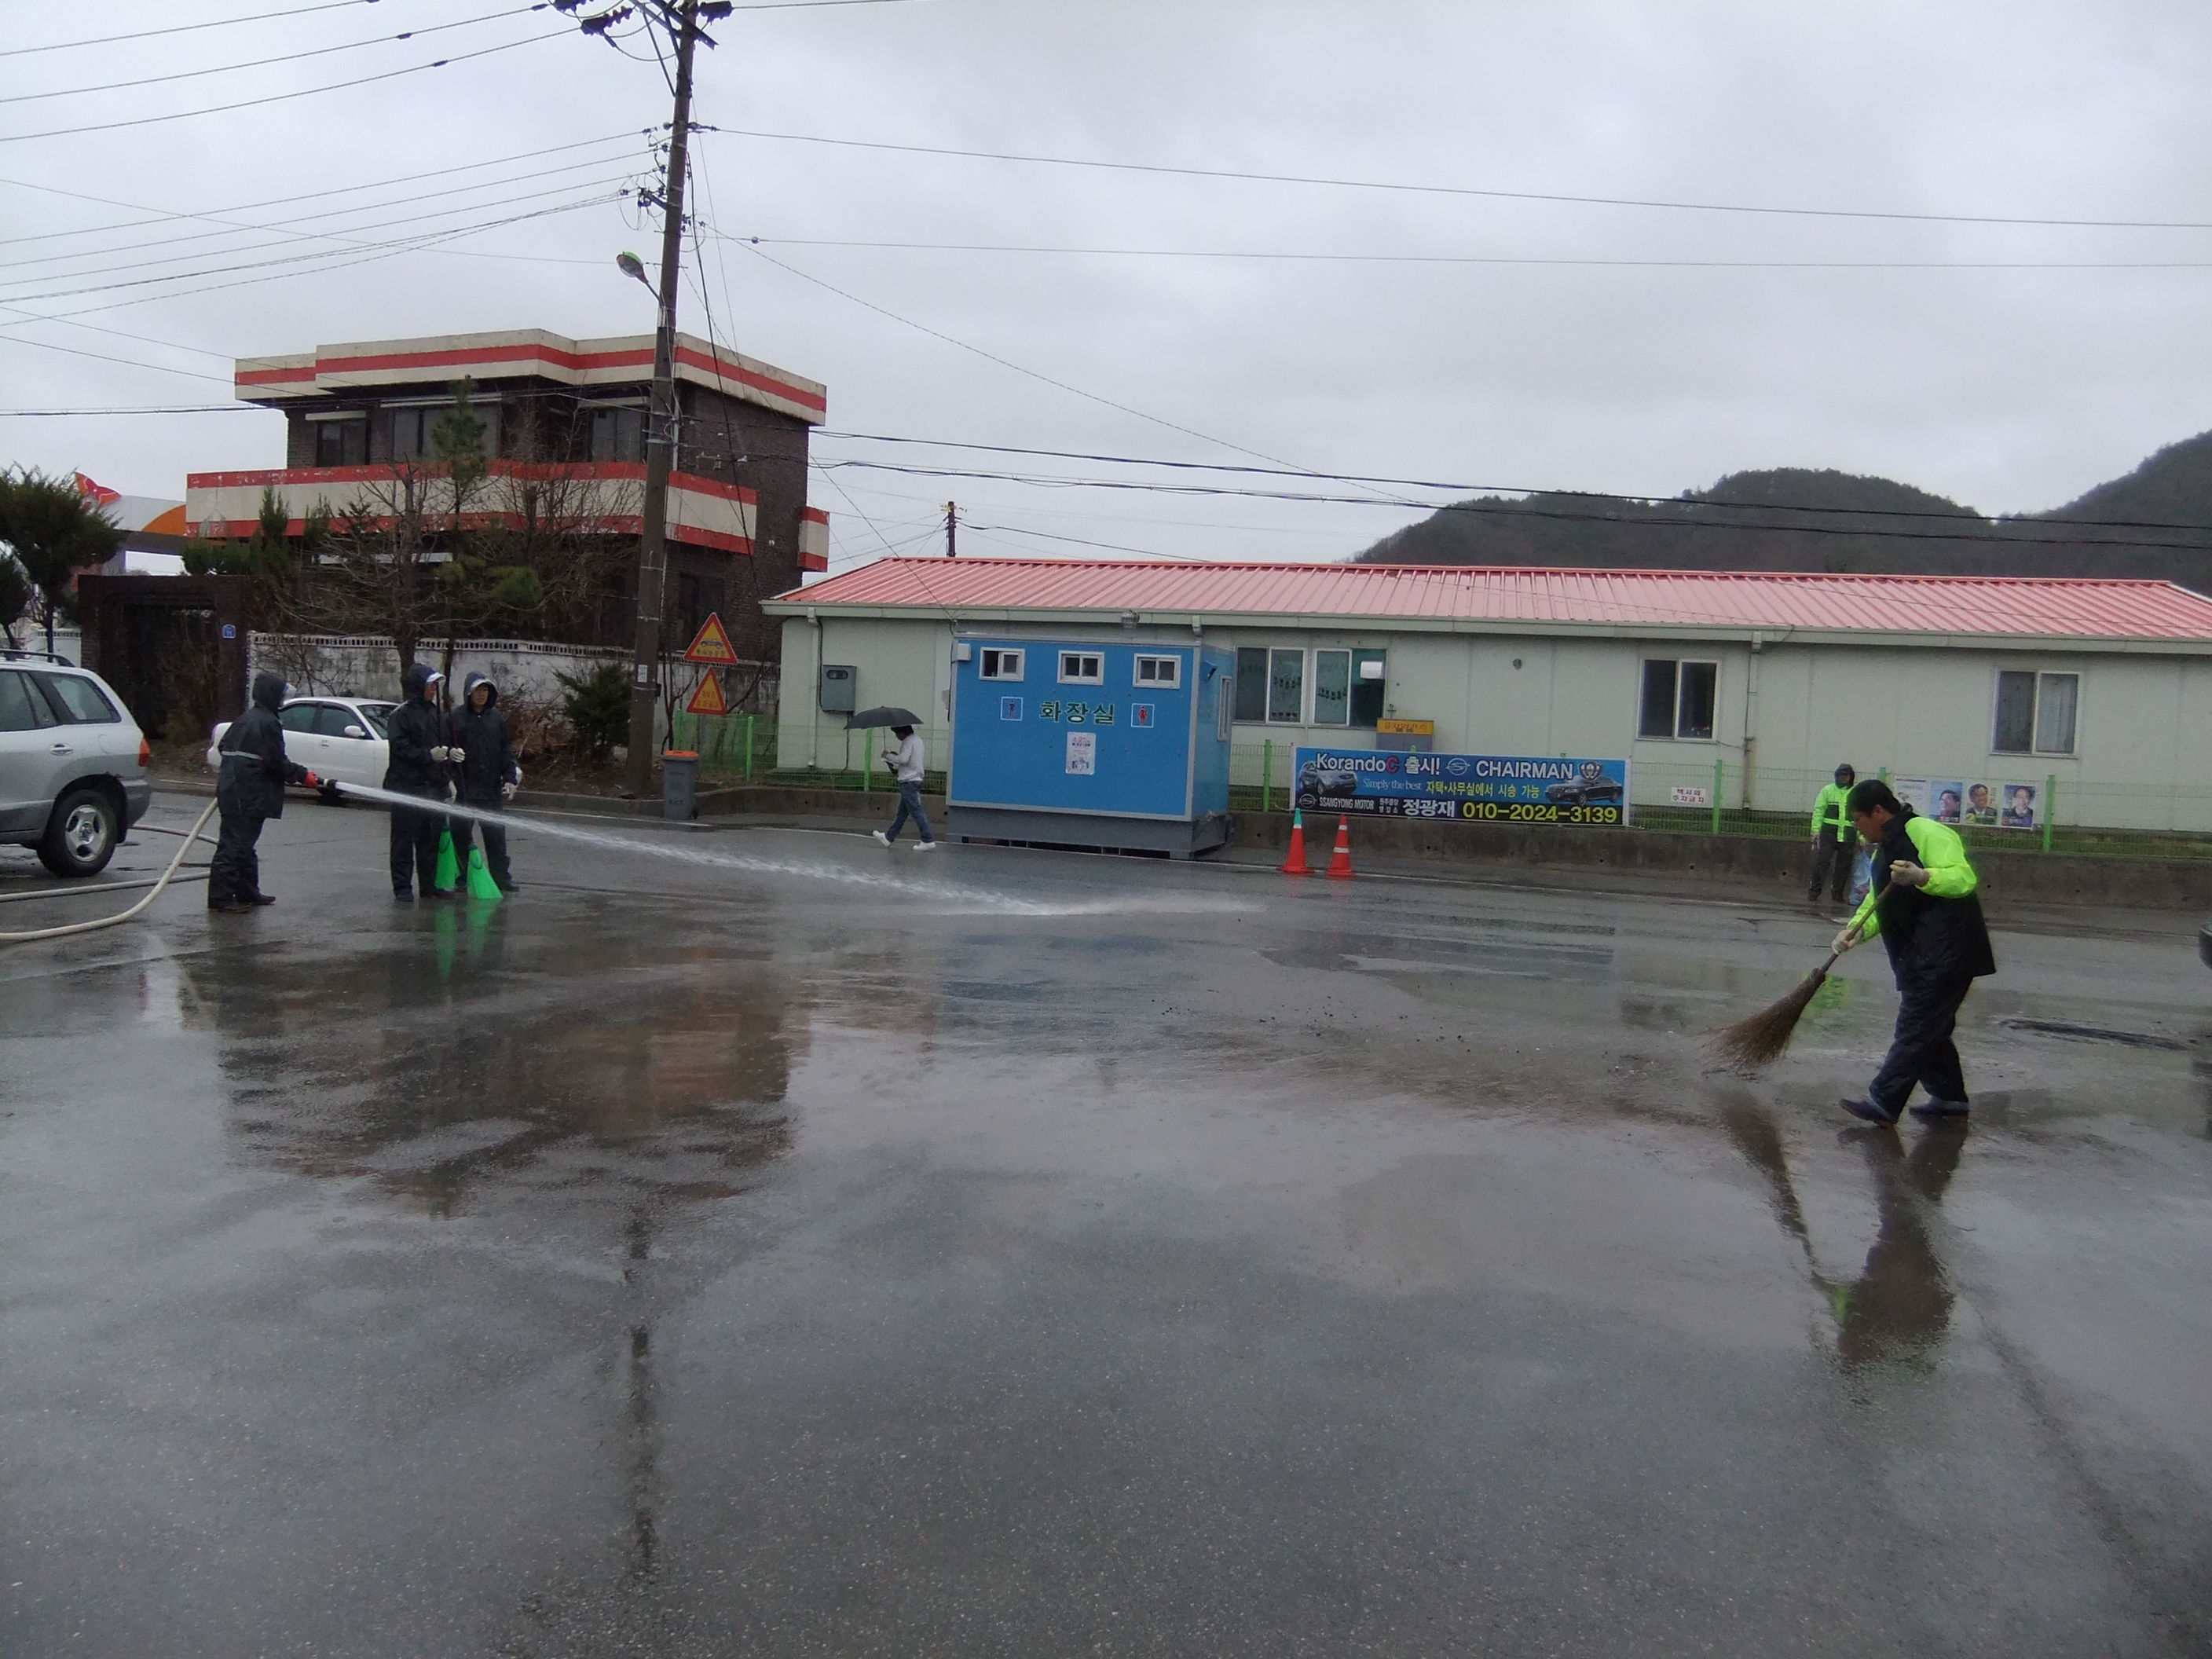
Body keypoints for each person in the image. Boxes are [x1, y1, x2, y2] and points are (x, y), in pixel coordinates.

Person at [1829, 778, 1997, 1126]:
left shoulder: (1925, 832)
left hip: (1946, 953)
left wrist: (1923, 877)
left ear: (1878, 812)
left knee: (1915, 1028)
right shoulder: (1885, 850)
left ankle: (1883, 1101)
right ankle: (1950, 1098)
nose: (1857, 828)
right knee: (1931, 1029)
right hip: (1921, 955)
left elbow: (1963, 878)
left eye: (1858, 819)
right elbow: (1878, 900)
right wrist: (1854, 931)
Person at [209, 671, 320, 912]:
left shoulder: (247, 718)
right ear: (272, 695)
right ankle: (221, 898)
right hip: (247, 794)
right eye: (280, 694)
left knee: (244, 844)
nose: (282, 699)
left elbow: (224, 745)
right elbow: (275, 761)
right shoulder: (268, 722)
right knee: (234, 846)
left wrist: (238, 767)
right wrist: (302, 775)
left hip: (235, 790)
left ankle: (247, 892)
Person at [384, 663, 456, 902]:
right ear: (418, 686)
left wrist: (448, 770)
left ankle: (429, 886)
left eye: (435, 685)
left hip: (432, 788)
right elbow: (399, 748)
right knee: (403, 841)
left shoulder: (436, 714)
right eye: (430, 685)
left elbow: (444, 745)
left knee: (430, 840)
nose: (434, 689)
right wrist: (428, 755)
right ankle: (402, 888)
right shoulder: (401, 715)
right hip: (406, 787)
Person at [447, 671, 522, 894]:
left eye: (485, 690)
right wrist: (450, 766)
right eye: (477, 690)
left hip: (490, 790)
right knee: (461, 836)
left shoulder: (495, 719)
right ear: (468, 693)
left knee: (496, 838)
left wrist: (510, 777)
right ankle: (461, 878)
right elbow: (444, 748)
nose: (481, 695)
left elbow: (505, 751)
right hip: (465, 789)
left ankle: (501, 877)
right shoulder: (455, 718)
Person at [870, 723, 936, 851]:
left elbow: (903, 759)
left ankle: (928, 839)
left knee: (917, 811)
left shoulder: (908, 741)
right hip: (915, 779)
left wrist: (888, 756)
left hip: (909, 781)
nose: (897, 736)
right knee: (902, 813)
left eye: (897, 733)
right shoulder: (917, 740)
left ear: (902, 732)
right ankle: (889, 837)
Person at [1807, 763, 1857, 905]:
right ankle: (1814, 892)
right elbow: (1819, 810)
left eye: (1846, 775)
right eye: (1841, 775)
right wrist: (1815, 831)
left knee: (1844, 867)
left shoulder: (1855, 793)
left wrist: (1862, 837)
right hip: (1828, 834)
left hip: (1848, 835)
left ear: (1851, 777)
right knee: (1822, 863)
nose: (1843, 778)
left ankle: (1837, 894)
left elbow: (1861, 815)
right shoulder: (1827, 791)